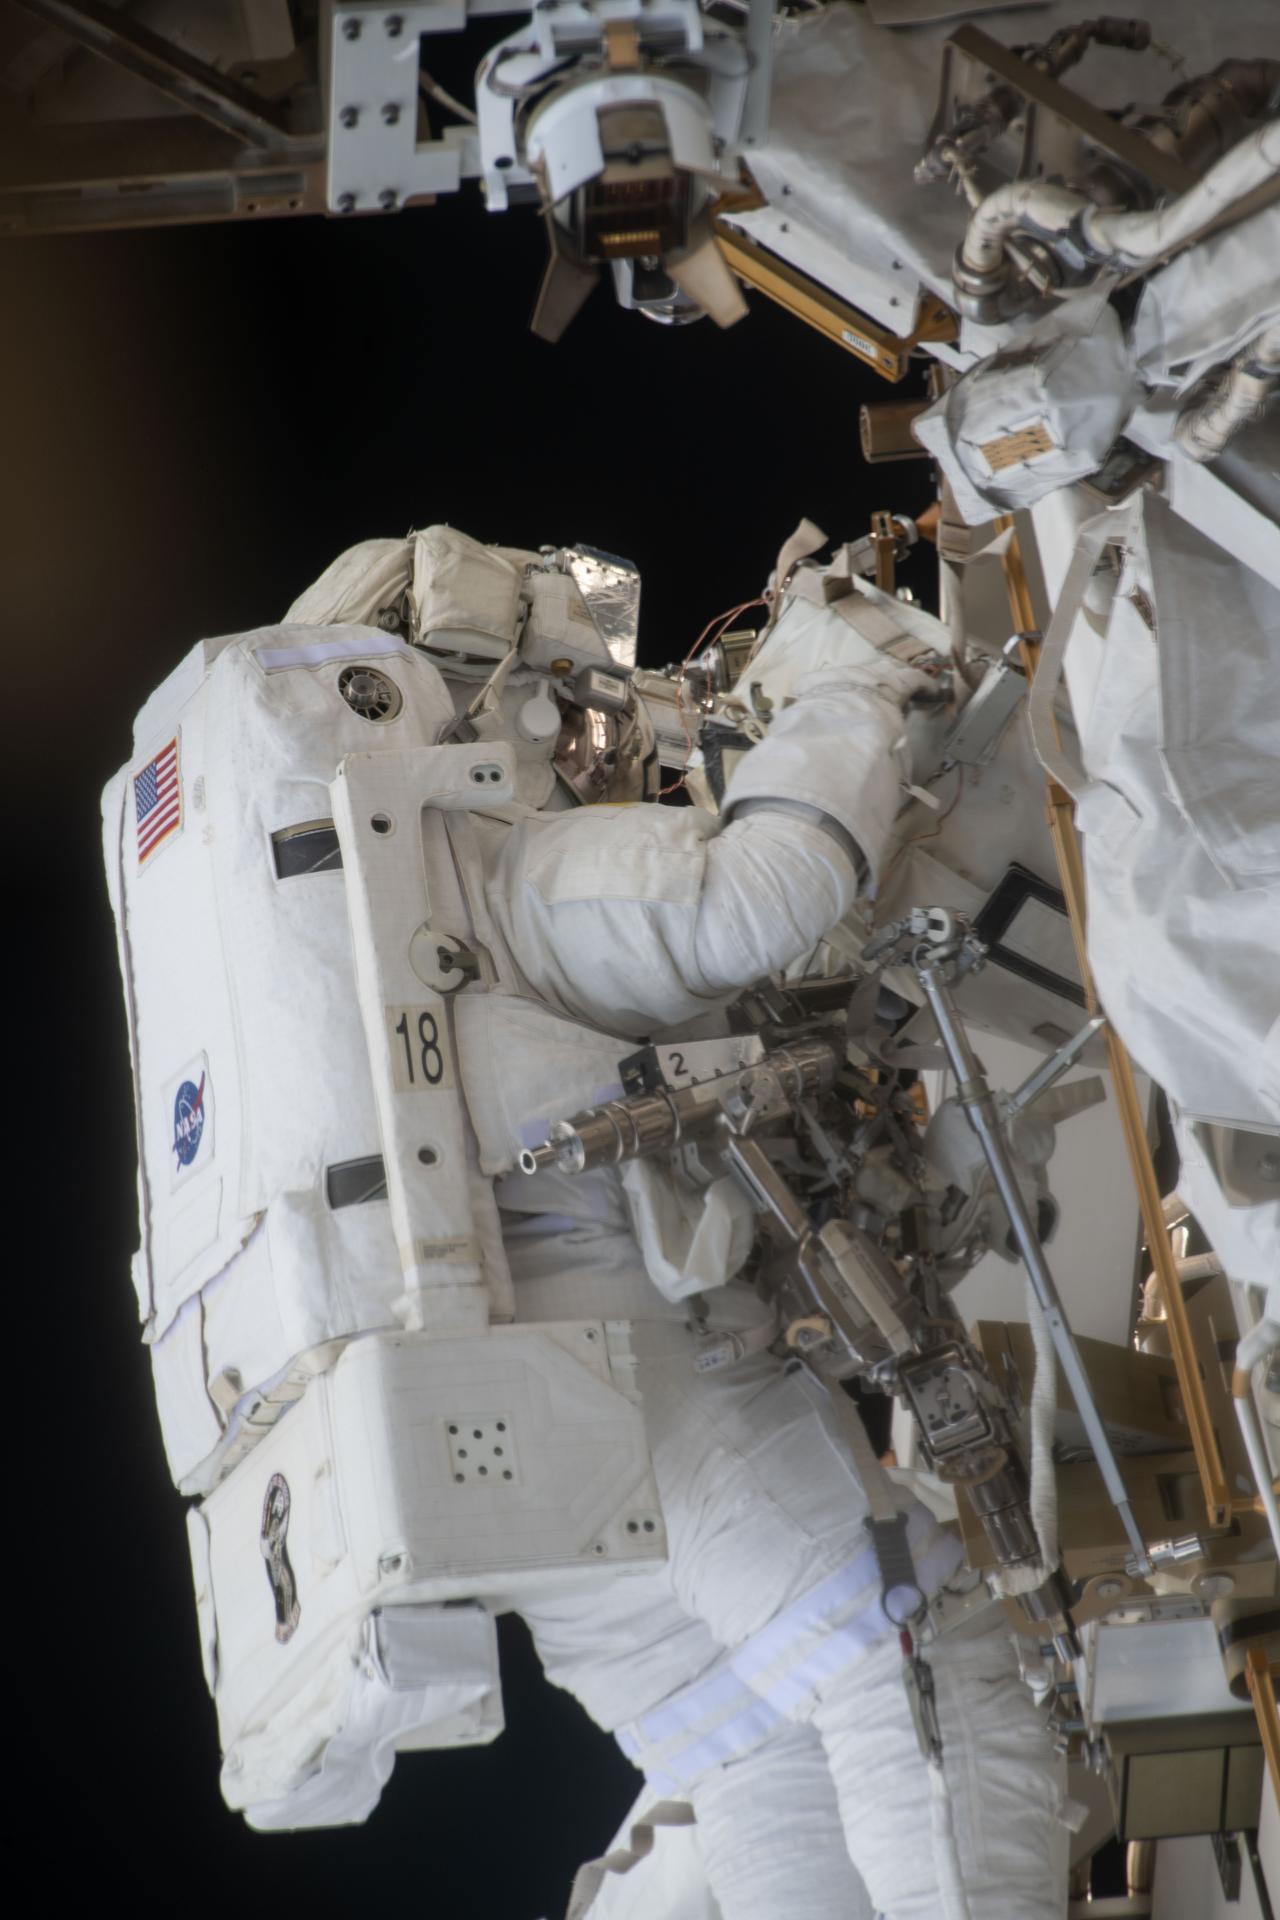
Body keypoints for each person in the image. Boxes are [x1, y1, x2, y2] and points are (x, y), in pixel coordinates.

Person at [105, 525, 1068, 1920]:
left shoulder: (305, 988)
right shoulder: (500, 880)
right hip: (630, 1403)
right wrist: (849, 684)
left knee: (749, 1758)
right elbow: (760, 897)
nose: (588, 725)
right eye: (565, 683)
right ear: (481, 686)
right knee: (918, 1667)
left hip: (499, 1466)